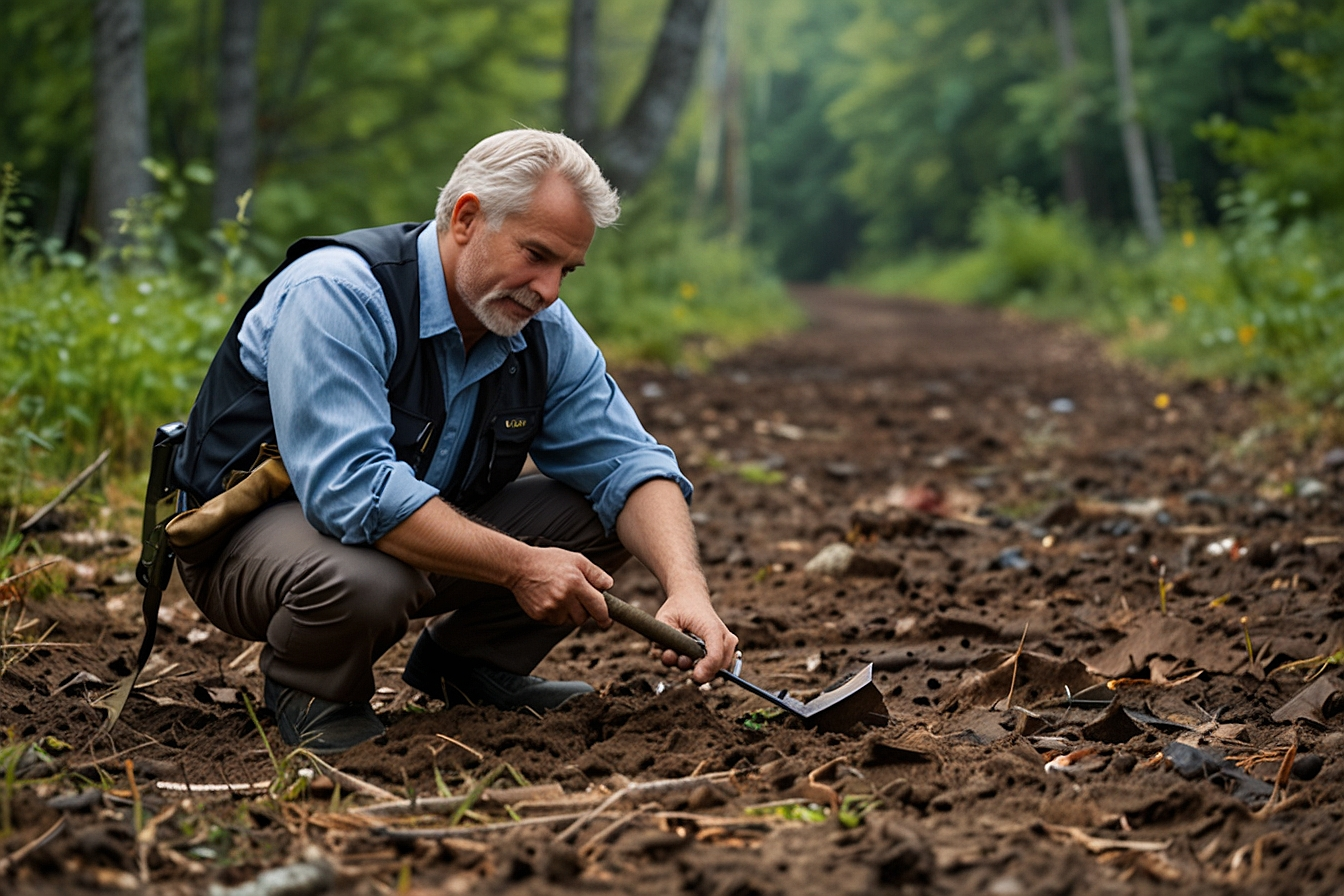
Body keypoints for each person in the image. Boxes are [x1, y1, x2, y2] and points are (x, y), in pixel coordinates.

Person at [170, 129, 738, 753]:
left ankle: (470, 666)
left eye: (565, 270)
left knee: (604, 511)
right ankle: (313, 690)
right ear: (467, 218)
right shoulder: (339, 292)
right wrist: (523, 566)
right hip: (254, 545)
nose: (549, 289)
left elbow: (630, 462)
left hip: (406, 540)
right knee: (366, 576)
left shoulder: (542, 327)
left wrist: (686, 588)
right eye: (536, 254)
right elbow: (352, 493)